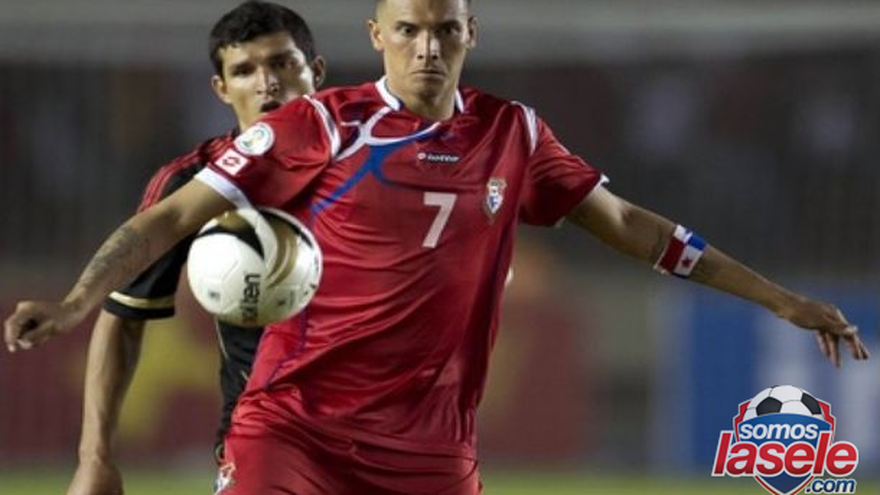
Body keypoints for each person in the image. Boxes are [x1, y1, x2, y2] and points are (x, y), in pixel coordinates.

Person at [5, 0, 870, 493]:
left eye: (445, 29)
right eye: (410, 29)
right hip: (293, 429)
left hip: (432, 450)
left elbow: (638, 228)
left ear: (470, 34)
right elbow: (168, 219)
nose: (428, 46)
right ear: (377, 34)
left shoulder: (516, 134)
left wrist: (780, 298)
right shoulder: (319, 125)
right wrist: (75, 303)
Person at [61, 3, 326, 495]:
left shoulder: (377, 162)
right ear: (221, 89)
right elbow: (122, 317)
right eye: (244, 70)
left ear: (317, 71)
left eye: (282, 63)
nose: (267, 83)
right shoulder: (192, 184)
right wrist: (94, 458)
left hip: (388, 432)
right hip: (265, 439)